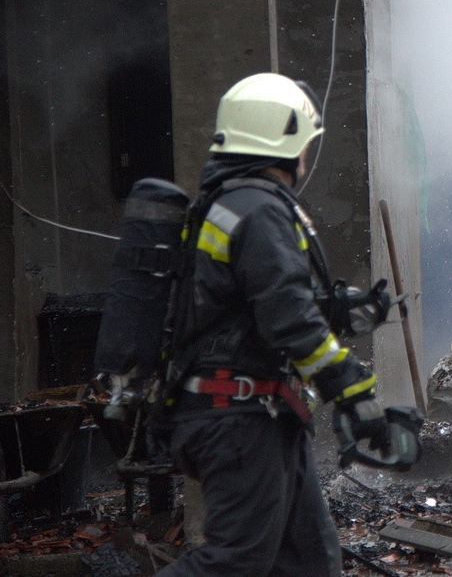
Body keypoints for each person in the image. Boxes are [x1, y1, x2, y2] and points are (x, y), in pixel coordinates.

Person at [157, 73, 388, 576]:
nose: (308, 156)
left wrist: (337, 310)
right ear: (287, 145)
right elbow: (285, 316)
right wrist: (351, 388)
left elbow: (254, 304)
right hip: (235, 415)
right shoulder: (259, 209)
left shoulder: (234, 204)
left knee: (308, 562)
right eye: (306, 144)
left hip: (258, 412)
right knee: (233, 563)